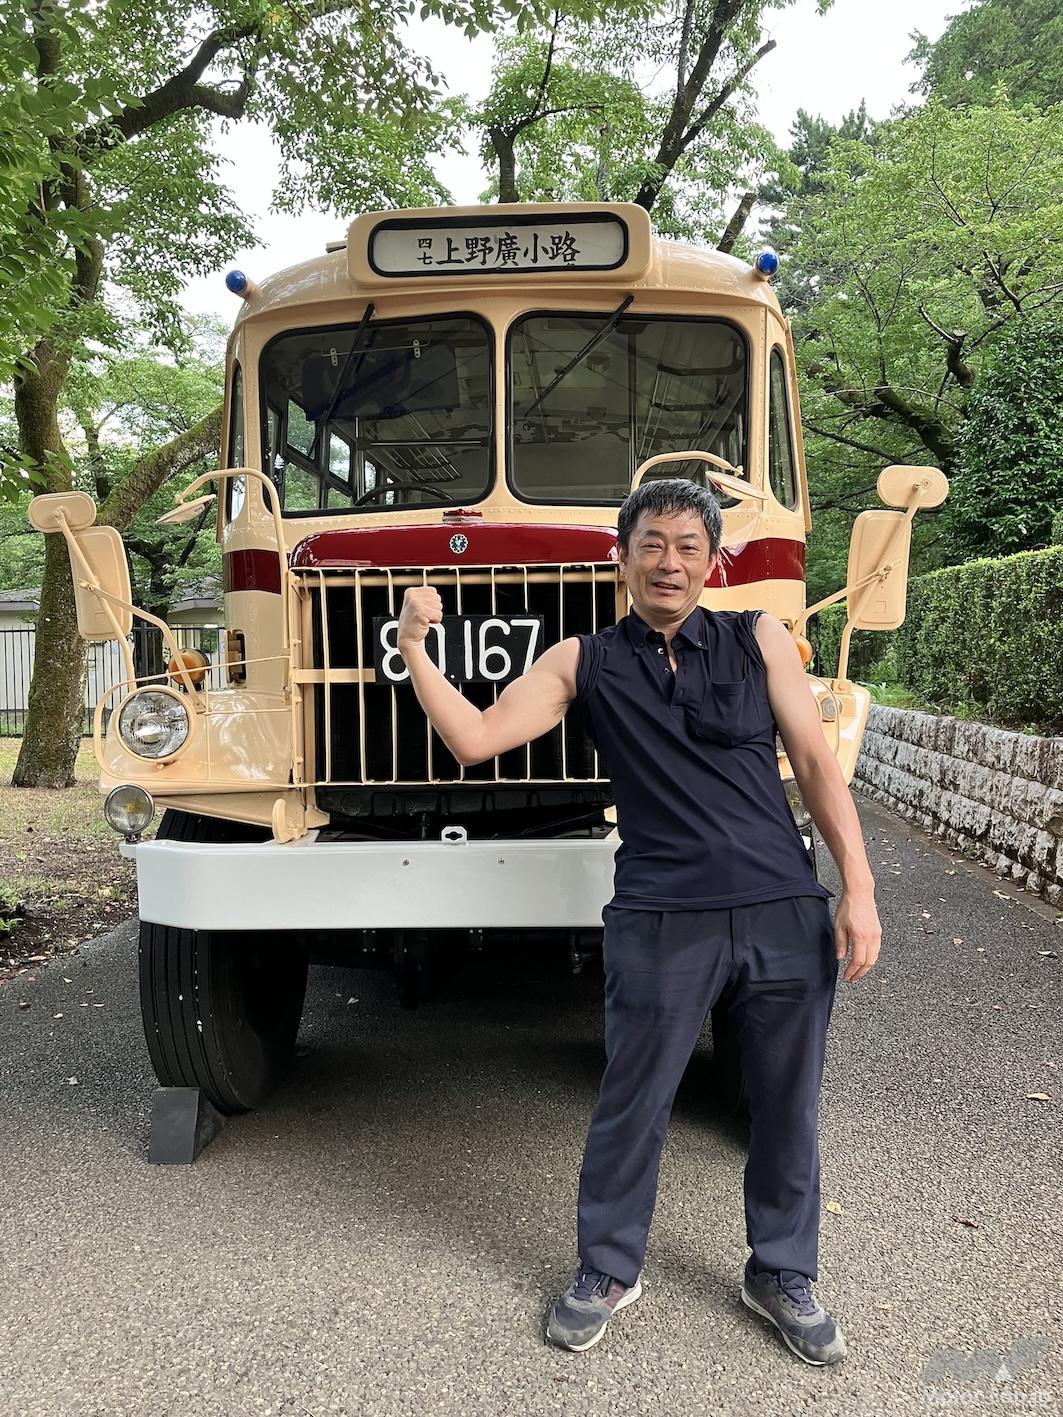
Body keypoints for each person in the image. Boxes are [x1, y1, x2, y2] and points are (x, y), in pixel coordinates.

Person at [395, 478, 882, 1367]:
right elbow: (474, 737)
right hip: (660, 912)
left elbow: (814, 762)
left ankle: (781, 1271)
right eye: (652, 543)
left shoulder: (757, 637)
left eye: (688, 546)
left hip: (780, 905)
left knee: (785, 1104)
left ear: (711, 561)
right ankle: (608, 1268)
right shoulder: (583, 660)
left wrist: (858, 886)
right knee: (633, 1100)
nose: (670, 562)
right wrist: (414, 648)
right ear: (621, 557)